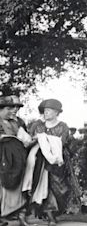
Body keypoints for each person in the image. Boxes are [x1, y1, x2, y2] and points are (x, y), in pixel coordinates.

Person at [27, 99, 77, 225]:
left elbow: (63, 141)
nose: (46, 113)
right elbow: (31, 137)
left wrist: (47, 140)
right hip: (43, 163)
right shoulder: (38, 125)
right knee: (45, 187)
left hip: (59, 163)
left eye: (49, 111)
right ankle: (50, 215)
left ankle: (54, 213)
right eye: (44, 111)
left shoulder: (63, 126)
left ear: (56, 112)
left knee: (61, 189)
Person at [0, 95, 30, 226]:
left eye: (15, 108)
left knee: (19, 183)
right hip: (2, 157)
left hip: (17, 158)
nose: (13, 111)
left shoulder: (18, 122)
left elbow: (26, 139)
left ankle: (21, 216)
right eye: (9, 108)